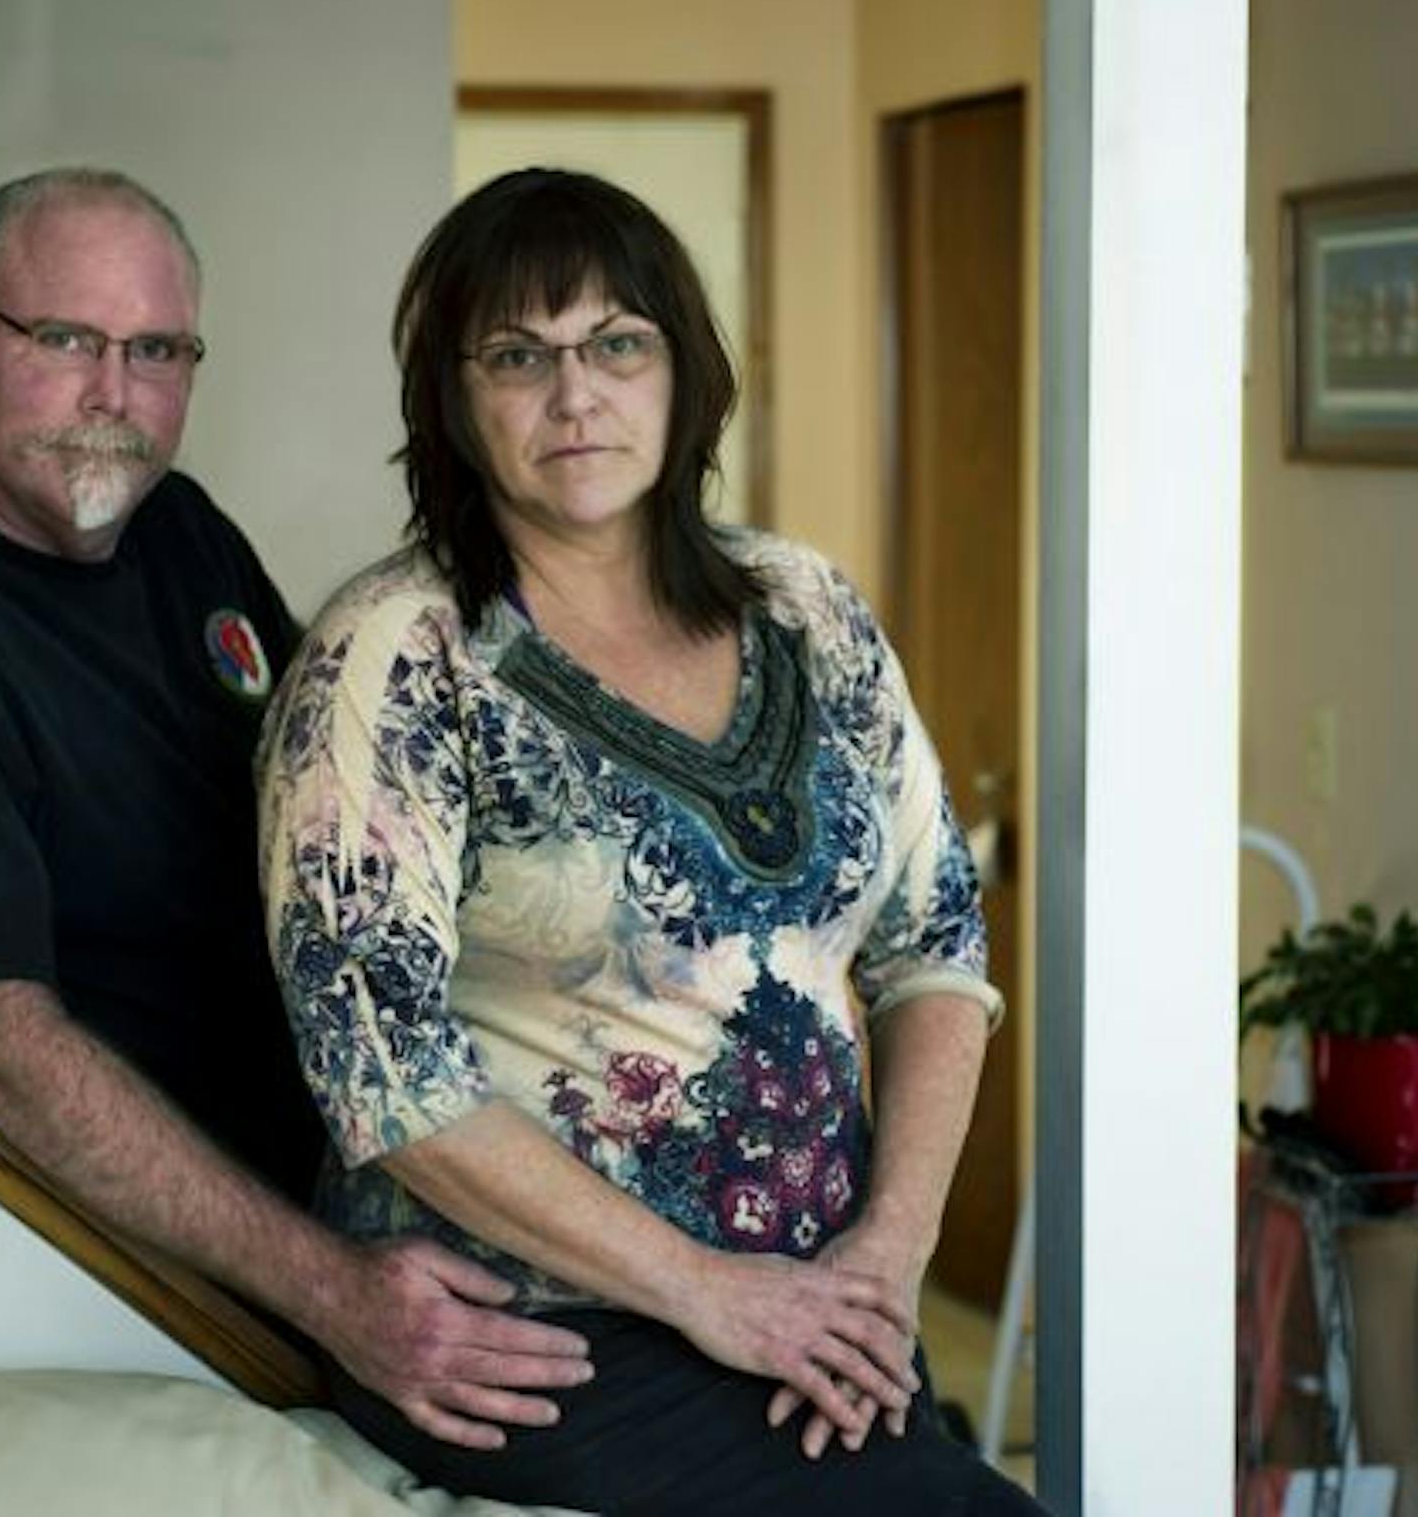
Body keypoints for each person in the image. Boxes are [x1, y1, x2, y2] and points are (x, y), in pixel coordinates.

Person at [0, 167, 593, 1451]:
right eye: (65, 339)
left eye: (156, 351)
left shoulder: (174, 526)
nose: (113, 397)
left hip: (358, 1161)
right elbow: (3, 1056)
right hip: (157, 1276)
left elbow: (347, 813)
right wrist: (337, 1292)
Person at [258, 168, 1049, 1514]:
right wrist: (714, 1297)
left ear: (685, 373)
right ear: (453, 401)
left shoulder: (807, 607)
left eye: (618, 343)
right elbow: (379, 1067)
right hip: (538, 1338)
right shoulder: (397, 656)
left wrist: (886, 1259)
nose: (577, 397)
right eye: (520, 355)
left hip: (813, 1307)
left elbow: (937, 945)